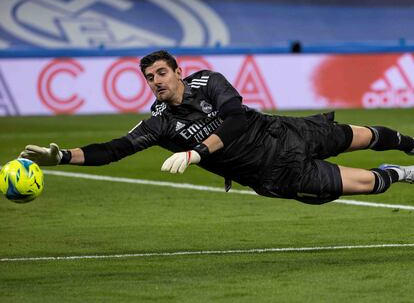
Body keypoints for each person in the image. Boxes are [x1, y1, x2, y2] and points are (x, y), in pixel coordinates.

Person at [20, 50, 414, 205]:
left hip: (285, 132)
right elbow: (114, 149)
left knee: (364, 134)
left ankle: (410, 145)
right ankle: (401, 173)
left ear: (178, 71)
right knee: (367, 183)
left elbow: (238, 117)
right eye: (149, 77)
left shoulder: (207, 81)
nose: (156, 81)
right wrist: (63, 156)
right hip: (275, 171)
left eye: (161, 72)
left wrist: (197, 151)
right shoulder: (158, 124)